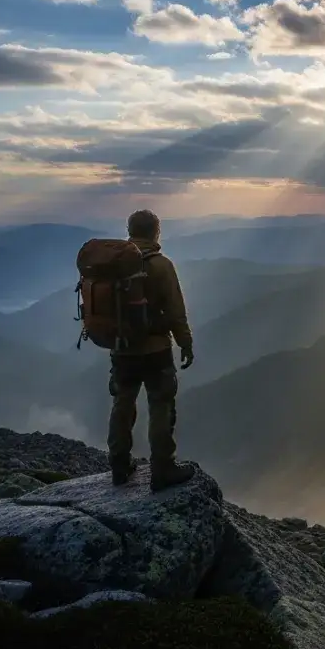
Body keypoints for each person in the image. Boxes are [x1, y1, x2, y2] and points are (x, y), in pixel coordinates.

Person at [107, 209, 197, 491]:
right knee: (160, 405)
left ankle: (119, 466)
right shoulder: (161, 265)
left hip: (121, 350)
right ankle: (163, 468)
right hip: (156, 349)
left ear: (129, 230)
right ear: (156, 232)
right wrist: (185, 343)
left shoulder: (112, 266)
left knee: (122, 404)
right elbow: (175, 310)